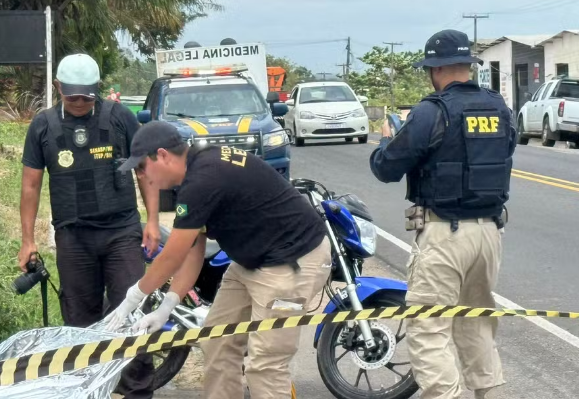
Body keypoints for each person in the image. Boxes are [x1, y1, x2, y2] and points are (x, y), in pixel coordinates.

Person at [104, 120, 331, 399]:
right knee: (216, 340)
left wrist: (134, 296)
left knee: (265, 364)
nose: (144, 177)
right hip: (252, 261)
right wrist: (167, 306)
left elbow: (173, 253)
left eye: (142, 167)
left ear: (162, 155)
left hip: (292, 260)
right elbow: (192, 251)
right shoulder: (196, 169)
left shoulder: (203, 178)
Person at [369, 29, 516, 399]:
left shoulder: (431, 112)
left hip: (444, 235)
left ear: (434, 70)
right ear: (468, 65)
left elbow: (386, 168)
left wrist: (387, 138)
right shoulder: (499, 107)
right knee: (476, 322)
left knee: (428, 327)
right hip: (489, 233)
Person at [18, 53, 159, 399]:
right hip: (73, 237)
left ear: (97, 90)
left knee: (130, 315)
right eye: (72, 96)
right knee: (80, 320)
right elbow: (30, 185)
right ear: (57, 89)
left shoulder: (121, 117)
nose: (80, 102)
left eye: (86, 95)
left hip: (121, 232)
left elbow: (145, 171)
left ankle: (136, 392)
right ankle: (86, 390)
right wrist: (26, 240)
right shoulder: (43, 126)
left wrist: (152, 221)